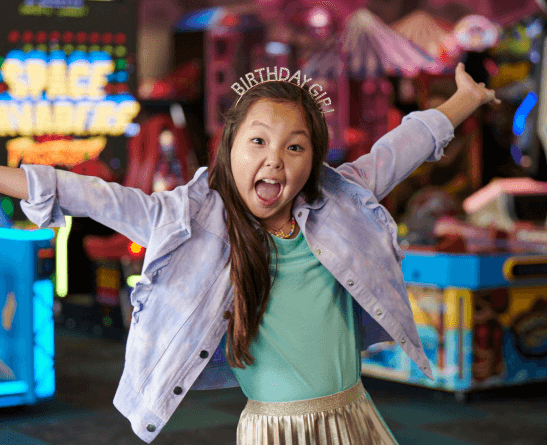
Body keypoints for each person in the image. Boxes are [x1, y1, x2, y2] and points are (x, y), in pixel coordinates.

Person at [0, 62, 500, 444]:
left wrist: (464, 98)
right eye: (258, 140)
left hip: (353, 413)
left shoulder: (339, 200)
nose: (274, 161)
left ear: (314, 158)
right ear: (230, 146)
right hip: (275, 429)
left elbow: (399, 149)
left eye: (295, 147)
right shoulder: (188, 220)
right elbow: (87, 193)